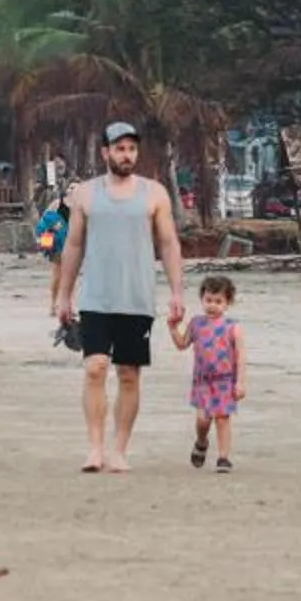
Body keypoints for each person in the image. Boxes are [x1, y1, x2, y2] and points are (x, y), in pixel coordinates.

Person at [52, 121, 188, 473]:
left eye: (131, 149)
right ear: (105, 152)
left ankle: (119, 449)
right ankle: (95, 448)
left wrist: (177, 292)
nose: (126, 155)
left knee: (129, 373)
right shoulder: (86, 194)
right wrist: (63, 295)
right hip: (96, 298)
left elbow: (168, 244)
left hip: (137, 298)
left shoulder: (154, 193)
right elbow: (74, 245)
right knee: (95, 368)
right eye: (119, 149)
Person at [170, 273, 247, 470]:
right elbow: (182, 344)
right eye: (208, 300)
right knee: (203, 420)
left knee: (223, 418)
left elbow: (240, 357)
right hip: (202, 381)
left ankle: (223, 457)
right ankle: (201, 442)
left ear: (228, 303)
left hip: (225, 381)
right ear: (202, 299)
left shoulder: (233, 327)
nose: (212, 305)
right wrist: (173, 328)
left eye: (218, 301)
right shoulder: (196, 323)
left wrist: (240, 382)